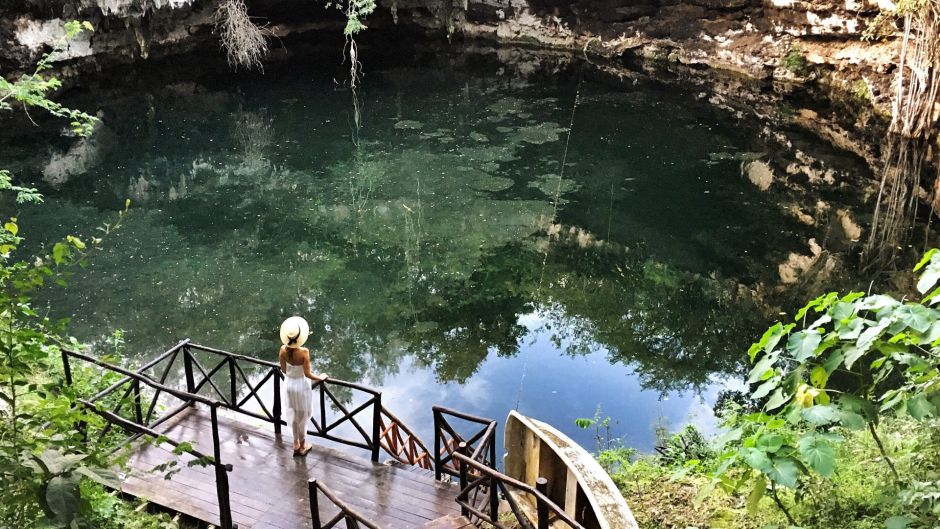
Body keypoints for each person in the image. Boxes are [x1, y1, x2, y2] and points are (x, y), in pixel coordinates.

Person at [278, 316, 325, 456]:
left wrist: (292, 373)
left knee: (291, 413)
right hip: (301, 386)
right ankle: (303, 445)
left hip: (288, 385)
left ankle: (295, 443)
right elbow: (308, 374)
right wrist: (321, 377)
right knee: (302, 415)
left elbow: (284, 370)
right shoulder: (304, 352)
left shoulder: (282, 350)